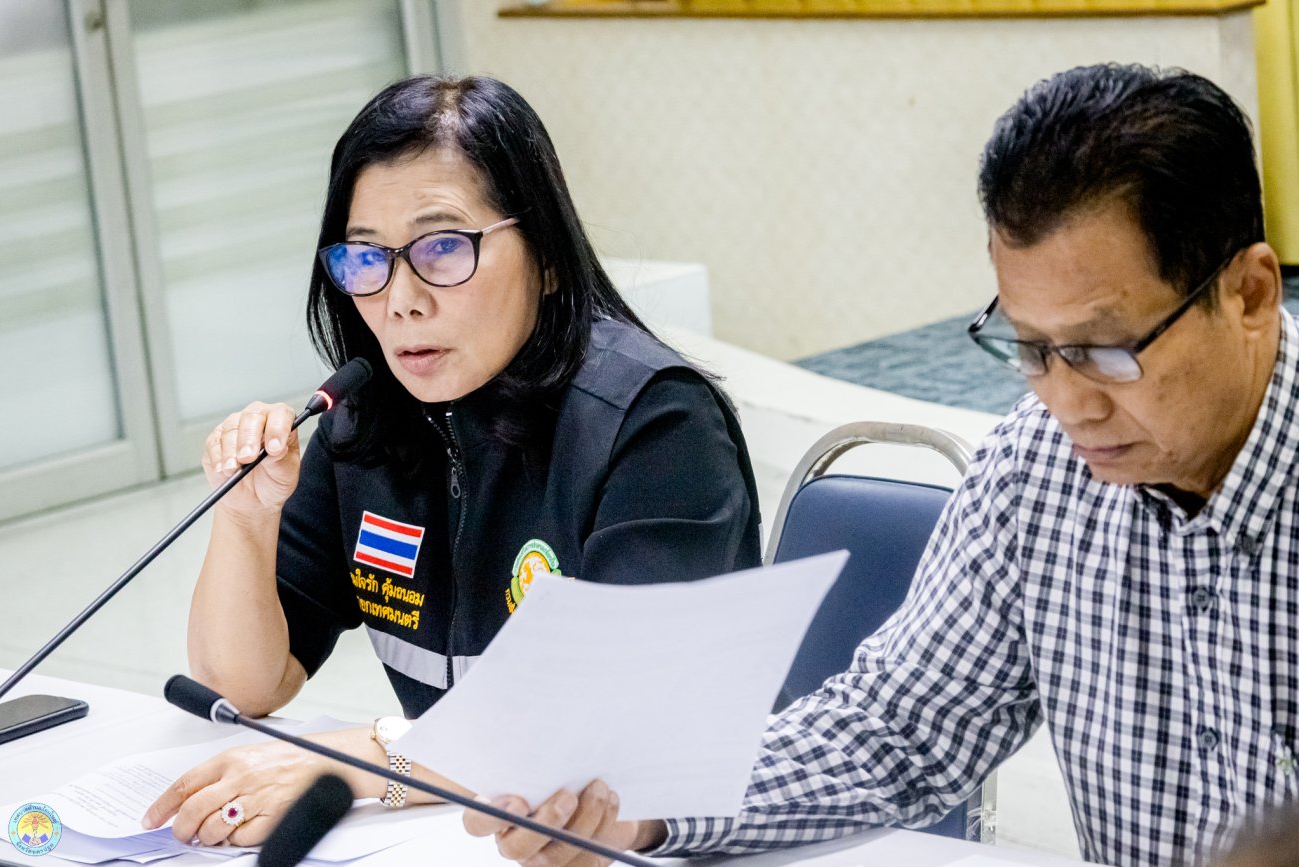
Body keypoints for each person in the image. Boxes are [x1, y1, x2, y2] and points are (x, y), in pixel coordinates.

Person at [466, 63, 1299, 867]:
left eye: (1105, 349)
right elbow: (893, 729)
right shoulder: (1037, 473)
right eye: (1030, 348)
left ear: (1251, 294)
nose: (1068, 401)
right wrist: (644, 801)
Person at [139, 74, 762, 847]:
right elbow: (240, 687)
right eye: (366, 257)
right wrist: (246, 518)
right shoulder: (365, 417)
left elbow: (606, 723)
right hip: (464, 835)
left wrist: (364, 761)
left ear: (547, 256)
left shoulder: (654, 422)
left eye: (441, 248)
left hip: (658, 843)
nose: (400, 298)